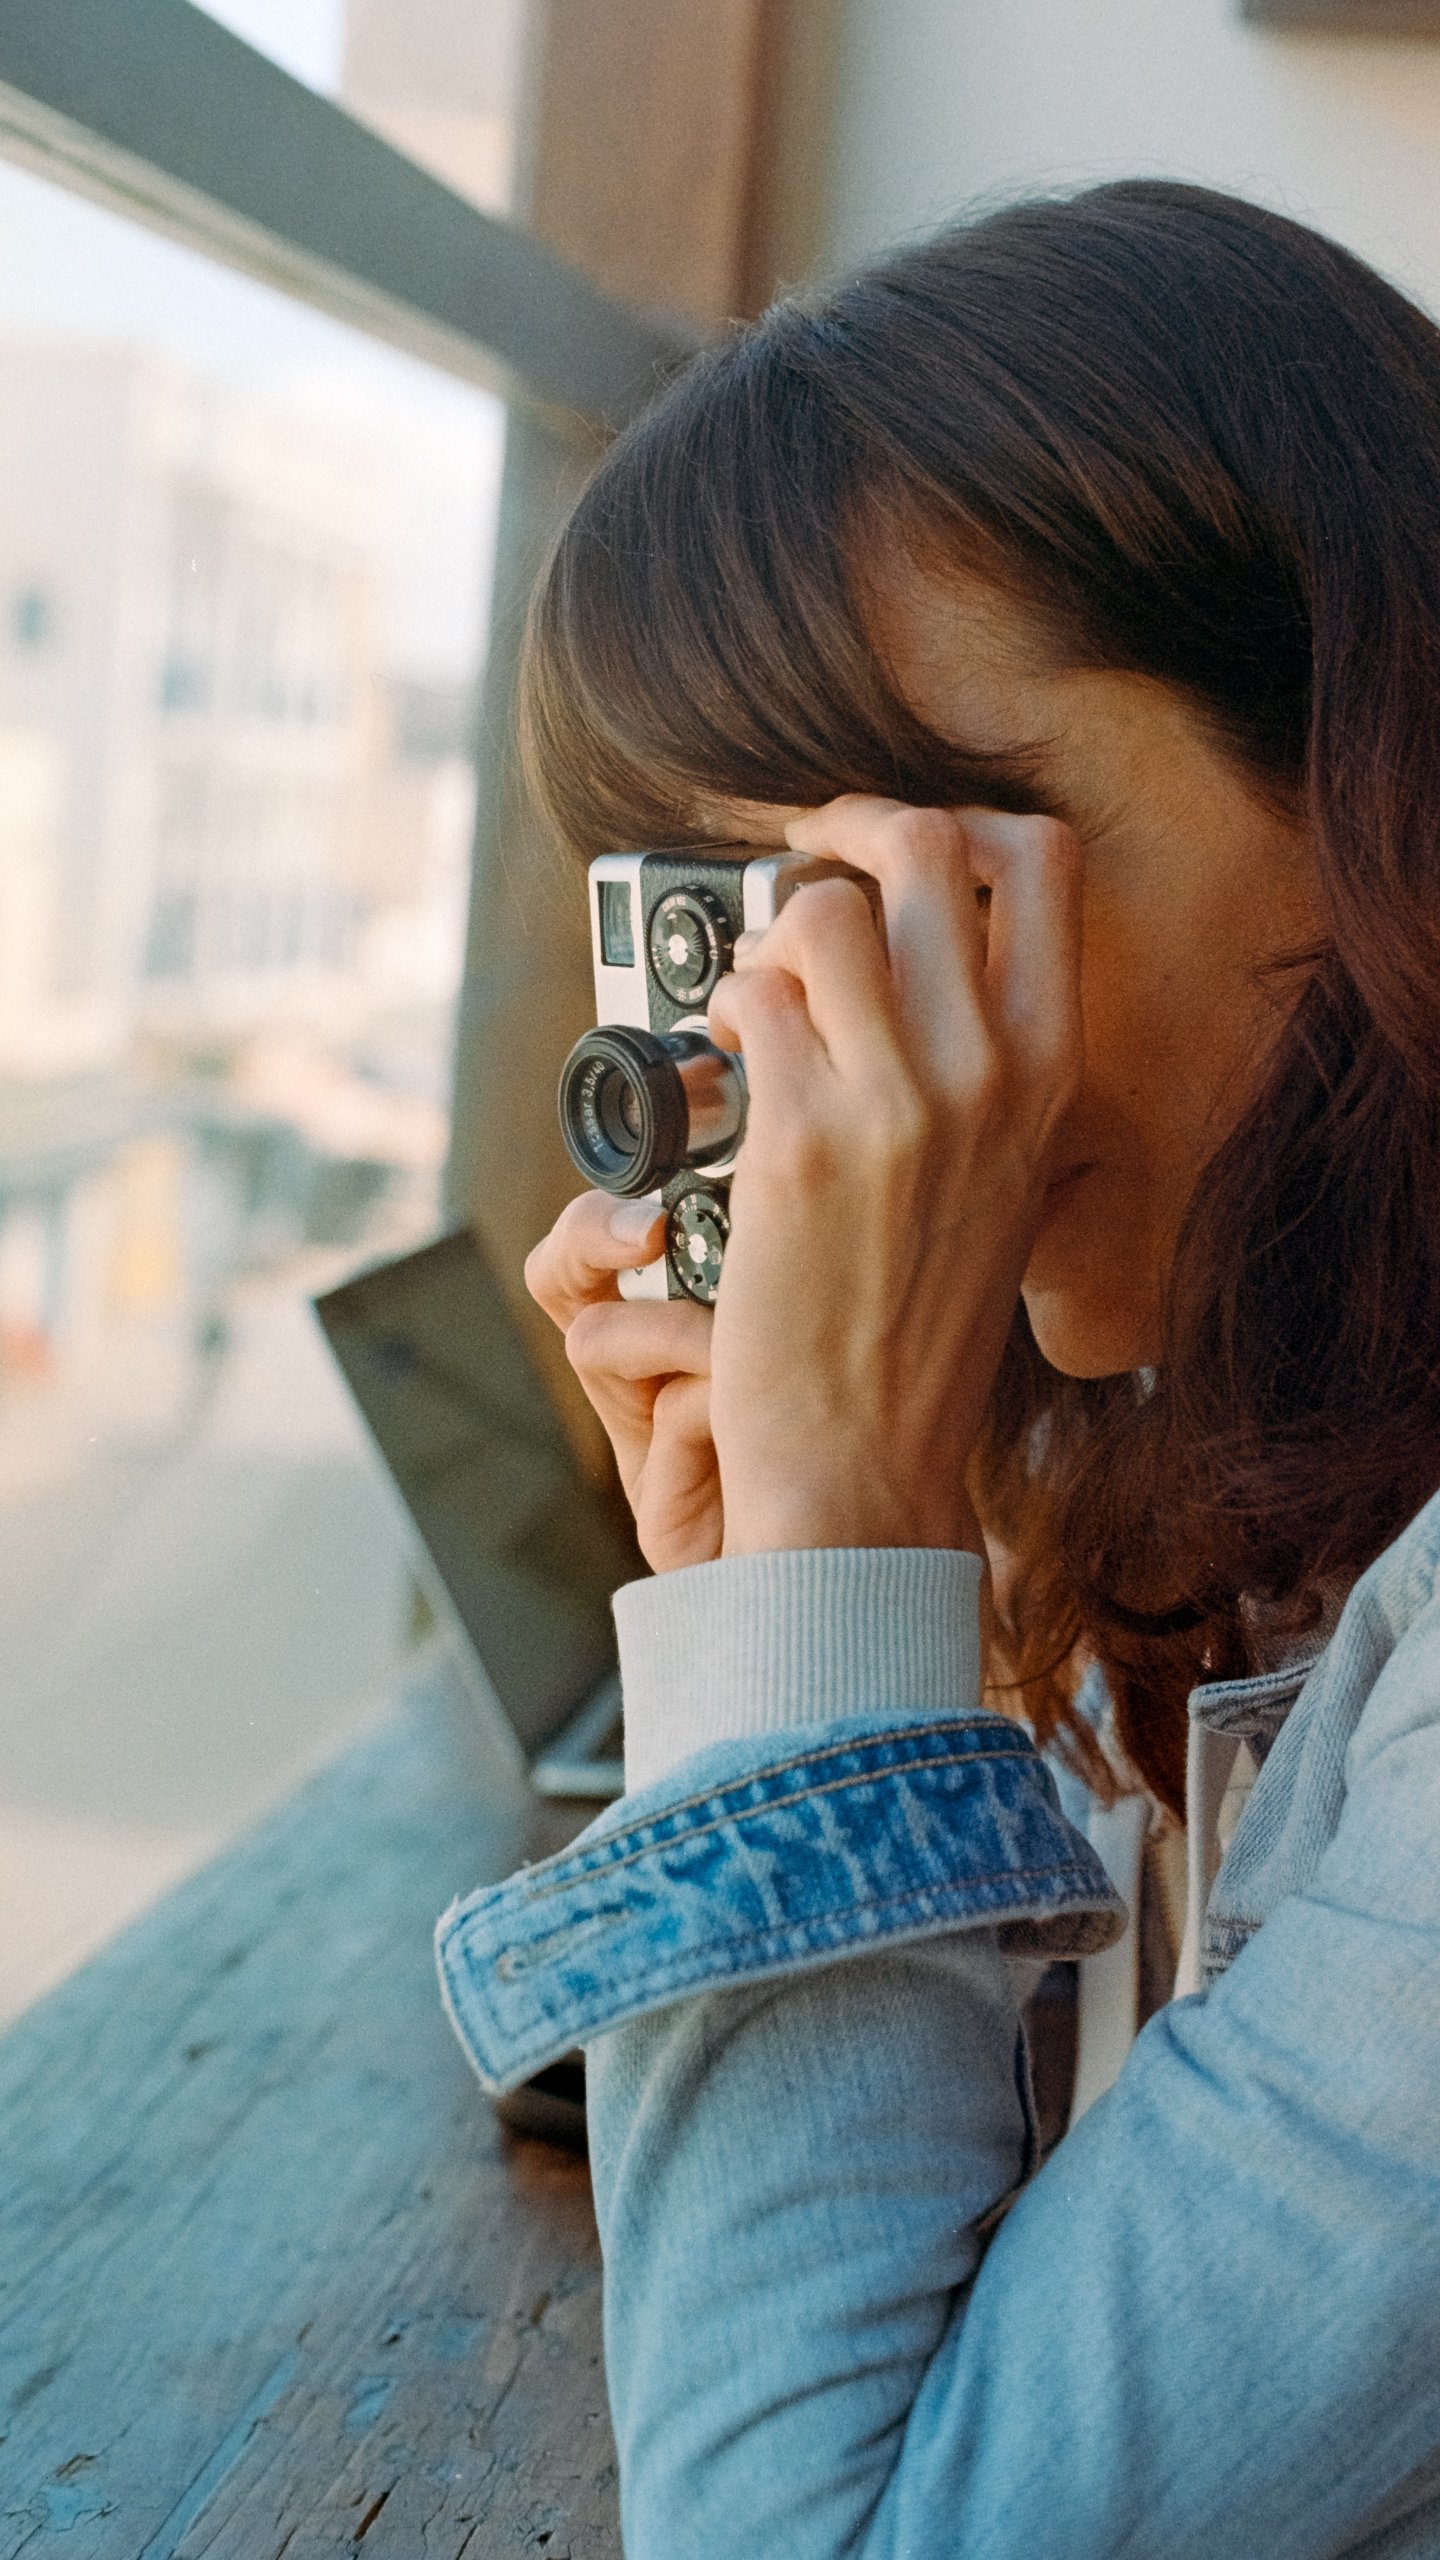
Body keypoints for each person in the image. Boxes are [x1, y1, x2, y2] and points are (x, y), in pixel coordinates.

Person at [434, 182, 1440, 2555]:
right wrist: (844, 1588)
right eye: (759, 923)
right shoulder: (1225, 1479)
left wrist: (832, 1588)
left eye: (935, 883)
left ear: (1374, 767)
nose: (847, 1054)